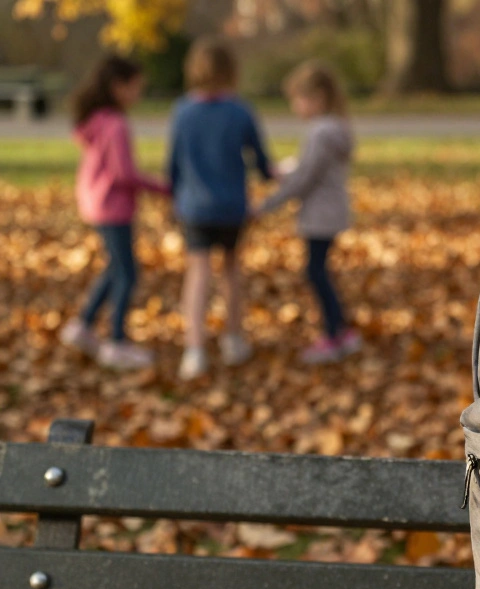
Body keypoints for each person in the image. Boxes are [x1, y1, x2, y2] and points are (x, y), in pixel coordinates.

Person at [167, 37, 273, 380]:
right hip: (231, 206)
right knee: (230, 270)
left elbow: (173, 165)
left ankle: (194, 349)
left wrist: (171, 198)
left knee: (197, 273)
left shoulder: (182, 112)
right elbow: (262, 163)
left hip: (195, 206)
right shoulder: (240, 111)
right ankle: (233, 338)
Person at [59, 55, 170, 371]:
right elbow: (124, 174)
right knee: (127, 273)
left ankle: (84, 325)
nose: (138, 95)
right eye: (136, 88)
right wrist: (164, 188)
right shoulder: (116, 123)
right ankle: (117, 342)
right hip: (113, 206)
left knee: (114, 268)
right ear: (118, 87)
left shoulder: (98, 120)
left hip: (96, 203)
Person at [255, 61, 361, 364]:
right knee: (320, 272)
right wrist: (287, 170)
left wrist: (267, 205)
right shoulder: (336, 128)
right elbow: (310, 168)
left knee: (315, 273)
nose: (294, 106)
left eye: (297, 99)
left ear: (316, 97)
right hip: (330, 211)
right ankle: (341, 330)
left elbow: (305, 178)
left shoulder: (320, 132)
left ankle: (333, 335)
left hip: (320, 215)